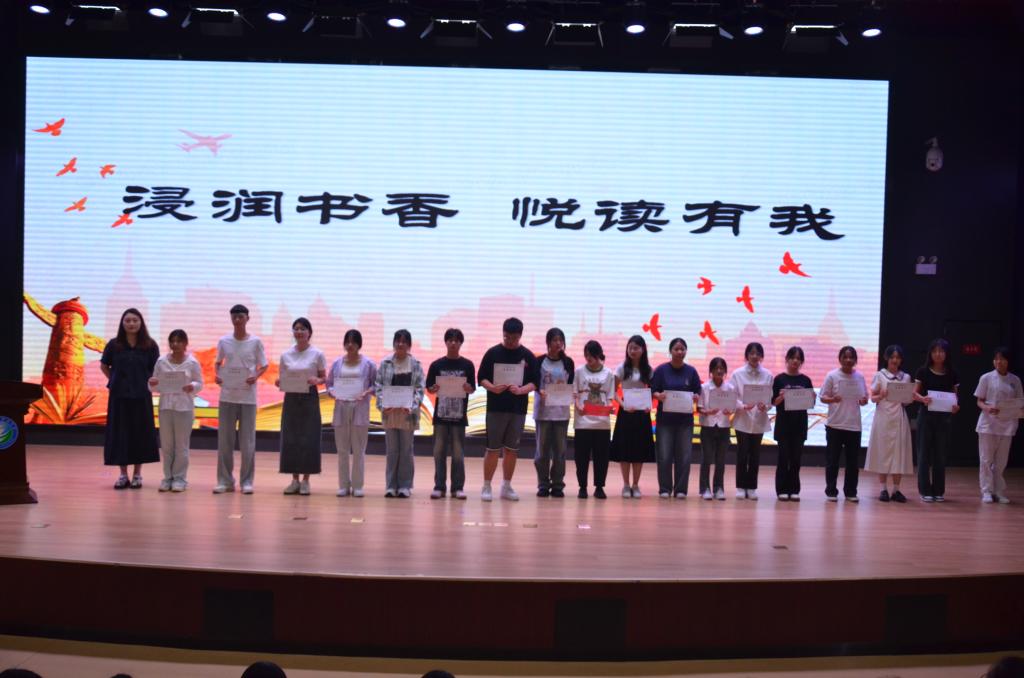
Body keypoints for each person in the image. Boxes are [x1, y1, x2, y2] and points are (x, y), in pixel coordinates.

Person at [476, 317, 538, 501]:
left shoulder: (527, 356)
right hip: (495, 408)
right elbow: (481, 378)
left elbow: (535, 382)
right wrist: (493, 388)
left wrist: (521, 390)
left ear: (520, 336)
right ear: (503, 334)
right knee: (492, 449)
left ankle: (506, 486)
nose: (509, 341)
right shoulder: (493, 353)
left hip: (517, 409)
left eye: (513, 338)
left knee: (512, 449)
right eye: (506, 337)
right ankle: (487, 486)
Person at [100, 307, 160, 490]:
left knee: (139, 434)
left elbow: (156, 369)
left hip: (141, 396)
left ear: (141, 323)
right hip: (119, 397)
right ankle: (123, 475)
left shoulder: (150, 345)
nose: (131, 323)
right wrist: (114, 380)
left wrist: (148, 381)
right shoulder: (114, 344)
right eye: (128, 320)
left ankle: (137, 475)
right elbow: (104, 365)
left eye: (135, 320)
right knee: (121, 434)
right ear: (122, 323)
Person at [213, 304, 269, 494]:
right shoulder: (224, 341)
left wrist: (256, 376)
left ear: (247, 318)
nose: (237, 320)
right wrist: (217, 375)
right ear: (231, 319)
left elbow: (264, 365)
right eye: (234, 317)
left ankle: (247, 481)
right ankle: (225, 481)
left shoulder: (255, 342)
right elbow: (217, 363)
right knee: (225, 441)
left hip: (247, 398)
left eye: (241, 316)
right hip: (227, 397)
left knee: (248, 442)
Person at [148, 329, 203, 492]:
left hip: (184, 408)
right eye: (172, 341)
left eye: (179, 341)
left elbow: (199, 383)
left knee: (181, 445)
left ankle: (180, 479)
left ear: (185, 343)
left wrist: (192, 386)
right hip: (166, 407)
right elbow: (154, 385)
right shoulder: (161, 361)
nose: (175, 344)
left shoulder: (192, 362)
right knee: (166, 445)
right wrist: (152, 383)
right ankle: (167, 478)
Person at [276, 318, 326, 496]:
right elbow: (282, 377)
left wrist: (317, 380)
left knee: (308, 438)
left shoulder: (317, 354)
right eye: (296, 329)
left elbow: (324, 378)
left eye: (303, 329)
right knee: (291, 438)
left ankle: (306, 481)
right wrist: (279, 382)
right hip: (291, 398)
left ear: (309, 333)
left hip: (309, 397)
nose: (299, 332)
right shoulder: (286, 355)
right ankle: (294, 480)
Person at [425, 328, 476, 500]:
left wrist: (468, 388)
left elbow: (472, 388)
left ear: (461, 343)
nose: (453, 343)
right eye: (450, 340)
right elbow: (429, 387)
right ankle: (439, 487)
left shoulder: (467, 365)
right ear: (445, 342)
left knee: (458, 454)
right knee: (439, 452)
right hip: (441, 416)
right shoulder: (436, 365)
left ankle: (457, 488)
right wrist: (433, 389)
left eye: (456, 340)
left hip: (459, 416)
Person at [325, 329, 376, 497]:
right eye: (347, 342)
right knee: (342, 449)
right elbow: (329, 384)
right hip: (341, 408)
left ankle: (358, 485)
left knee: (359, 449)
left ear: (359, 344)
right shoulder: (337, 363)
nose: (350, 345)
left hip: (360, 409)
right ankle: (343, 485)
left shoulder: (368, 364)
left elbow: (376, 386)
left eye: (353, 342)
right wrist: (333, 392)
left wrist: (367, 391)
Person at [375, 329, 425, 498]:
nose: (400, 344)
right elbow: (378, 386)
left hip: (408, 414)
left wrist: (412, 405)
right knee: (392, 450)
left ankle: (405, 486)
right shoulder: (385, 363)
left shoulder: (415, 364)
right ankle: (390, 486)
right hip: (390, 414)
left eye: (404, 341)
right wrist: (383, 404)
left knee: (406, 450)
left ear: (409, 345)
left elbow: (420, 388)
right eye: (398, 341)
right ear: (394, 343)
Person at [651, 337, 702, 498]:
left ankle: (680, 490)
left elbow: (698, 391)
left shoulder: (691, 371)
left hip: (685, 422)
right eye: (676, 349)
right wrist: (658, 395)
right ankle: (665, 489)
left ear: (686, 351)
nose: (680, 352)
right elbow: (653, 390)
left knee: (684, 457)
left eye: (682, 349)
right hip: (665, 421)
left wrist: (696, 397)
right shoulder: (661, 370)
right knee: (664, 456)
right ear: (670, 351)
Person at [864, 344, 914, 503]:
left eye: (898, 357)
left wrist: (908, 398)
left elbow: (907, 401)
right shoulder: (880, 375)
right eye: (892, 357)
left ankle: (896, 490)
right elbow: (873, 398)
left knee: (899, 453)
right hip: (883, 417)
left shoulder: (905, 377)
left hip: (899, 417)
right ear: (886, 358)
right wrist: (881, 395)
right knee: (883, 451)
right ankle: (883, 488)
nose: (895, 360)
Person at [819, 346, 869, 502]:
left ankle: (851, 492)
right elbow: (822, 397)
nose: (848, 360)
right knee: (832, 461)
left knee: (853, 462)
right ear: (839, 359)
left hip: (854, 425)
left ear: (855, 360)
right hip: (835, 425)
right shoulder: (832, 376)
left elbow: (864, 399)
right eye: (845, 357)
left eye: (851, 357)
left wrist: (864, 401)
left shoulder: (860, 377)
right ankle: (831, 491)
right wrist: (833, 399)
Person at [913, 338, 960, 502]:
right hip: (926, 417)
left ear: (946, 354)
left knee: (940, 455)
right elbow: (914, 393)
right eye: (935, 351)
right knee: (923, 454)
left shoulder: (952, 373)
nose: (938, 354)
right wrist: (923, 399)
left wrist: (956, 406)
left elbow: (955, 396)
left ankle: (938, 490)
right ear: (930, 353)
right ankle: (925, 490)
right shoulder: (922, 371)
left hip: (943, 418)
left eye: (941, 351)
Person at [974, 346, 1022, 504]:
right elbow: (979, 401)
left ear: (1008, 361)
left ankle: (998, 490)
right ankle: (986, 491)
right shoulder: (986, 378)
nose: (998, 362)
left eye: (1002, 359)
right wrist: (987, 408)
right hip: (988, 424)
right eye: (996, 359)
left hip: (1007, 424)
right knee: (986, 460)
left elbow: (1020, 402)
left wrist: (1017, 411)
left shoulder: (1015, 380)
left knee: (1001, 462)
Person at [610, 335, 656, 498]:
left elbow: (653, 391)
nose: (632, 351)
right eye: (630, 347)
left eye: (636, 348)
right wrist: (623, 404)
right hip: (626, 413)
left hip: (642, 414)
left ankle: (636, 485)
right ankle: (626, 485)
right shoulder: (622, 368)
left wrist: (649, 404)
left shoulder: (648, 369)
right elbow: (612, 391)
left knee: (639, 450)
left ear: (643, 350)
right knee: (624, 450)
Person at [729, 341, 773, 500]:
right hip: (742, 419)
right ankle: (741, 486)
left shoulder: (768, 375)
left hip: (759, 419)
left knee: (755, 455)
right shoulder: (737, 374)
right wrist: (742, 406)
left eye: (758, 353)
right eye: (752, 353)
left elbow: (770, 399)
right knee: (742, 454)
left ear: (761, 356)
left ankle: (752, 487)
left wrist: (765, 406)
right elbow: (732, 397)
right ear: (747, 355)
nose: (755, 356)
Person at [533, 327, 574, 498]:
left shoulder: (568, 362)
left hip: (561, 412)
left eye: (560, 340)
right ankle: (543, 484)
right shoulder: (539, 361)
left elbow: (571, 384)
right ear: (548, 342)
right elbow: (534, 382)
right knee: (542, 450)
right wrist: (539, 390)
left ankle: (557, 484)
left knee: (560, 451)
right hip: (543, 411)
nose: (558, 343)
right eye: (555, 340)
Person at [573, 340, 615, 499]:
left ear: (598, 355)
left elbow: (610, 397)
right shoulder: (579, 371)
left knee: (601, 457)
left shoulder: (608, 373)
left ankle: (599, 487)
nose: (588, 358)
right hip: (583, 421)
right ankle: (582, 487)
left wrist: (609, 407)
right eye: (586, 355)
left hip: (602, 423)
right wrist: (578, 405)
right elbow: (575, 394)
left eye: (591, 355)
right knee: (581, 457)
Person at [772, 346, 814, 501]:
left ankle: (794, 489)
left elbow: (811, 403)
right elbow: (773, 402)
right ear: (787, 360)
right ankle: (782, 490)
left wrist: (812, 398)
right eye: (792, 358)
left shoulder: (805, 380)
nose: (795, 361)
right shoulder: (779, 379)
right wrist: (782, 397)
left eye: (798, 358)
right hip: (783, 425)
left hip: (800, 425)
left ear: (801, 362)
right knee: (783, 458)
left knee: (796, 459)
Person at [697, 357, 734, 500]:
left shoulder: (730, 388)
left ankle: (719, 488)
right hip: (708, 426)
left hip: (723, 426)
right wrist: (708, 412)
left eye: (722, 368)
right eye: (716, 368)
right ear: (711, 371)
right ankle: (704, 488)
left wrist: (729, 411)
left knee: (721, 460)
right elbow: (699, 407)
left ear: (725, 371)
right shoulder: (704, 387)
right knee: (706, 459)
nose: (719, 371)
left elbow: (732, 407)